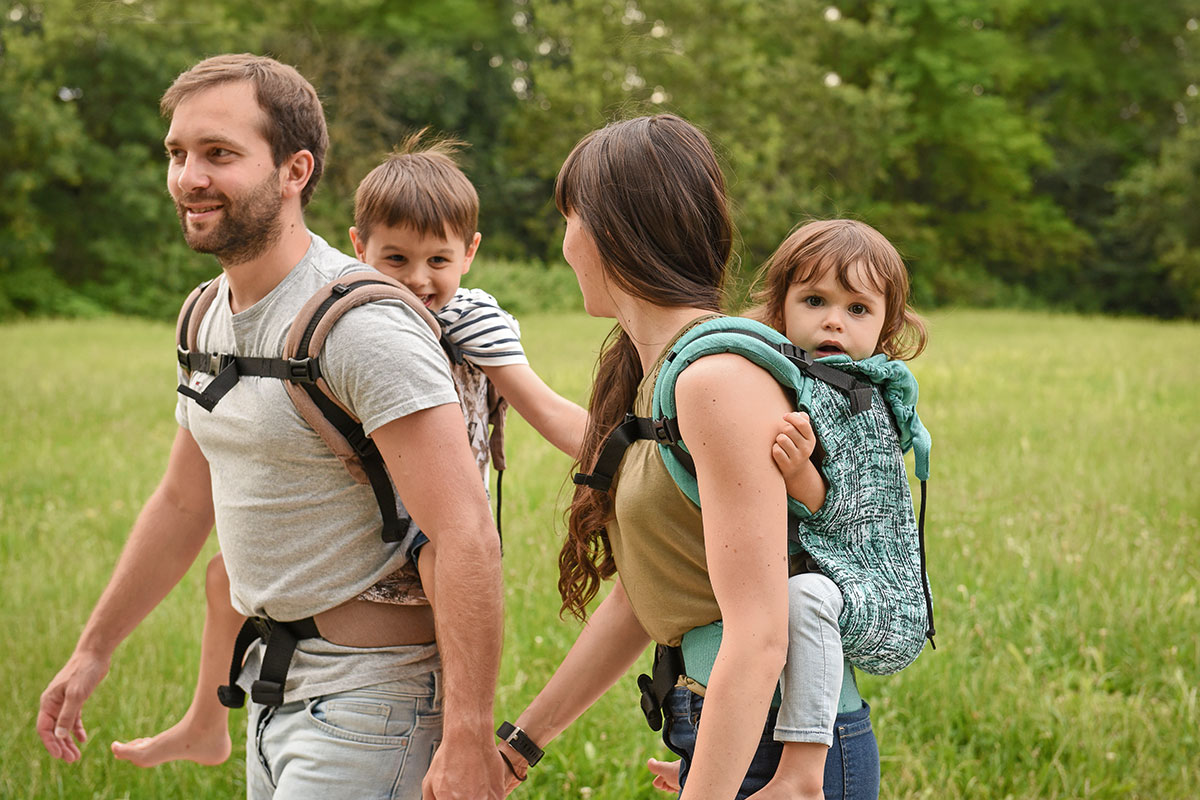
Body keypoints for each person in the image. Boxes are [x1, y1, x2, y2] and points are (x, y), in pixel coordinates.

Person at [36, 54, 506, 800]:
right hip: (270, 688)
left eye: (219, 154)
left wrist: (470, 734)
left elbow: (466, 534)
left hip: (372, 705)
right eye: (178, 153)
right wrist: (94, 651)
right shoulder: (205, 314)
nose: (189, 177)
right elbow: (183, 503)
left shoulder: (362, 328)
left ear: (295, 170)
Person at [108, 133, 588, 770]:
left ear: (470, 253)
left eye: (438, 261)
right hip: (368, 491)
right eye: (397, 259)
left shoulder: (473, 319)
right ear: (360, 247)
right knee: (228, 575)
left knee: (440, 566)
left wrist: (630, 450)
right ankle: (204, 720)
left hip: (428, 504)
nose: (419, 280)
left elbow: (541, 408)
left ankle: (450, 722)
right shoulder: (351, 308)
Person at [491, 115, 881, 800]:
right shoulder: (661, 378)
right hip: (732, 731)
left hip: (780, 748)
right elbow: (653, 591)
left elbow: (759, 635)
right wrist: (520, 749)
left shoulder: (715, 382)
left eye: (570, 217)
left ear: (610, 230)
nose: (564, 242)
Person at [645, 218, 929, 798]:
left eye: (858, 310)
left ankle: (802, 767)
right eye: (815, 300)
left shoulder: (861, 400)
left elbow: (852, 510)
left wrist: (800, 473)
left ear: (886, 326)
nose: (833, 320)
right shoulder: (783, 376)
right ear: (780, 306)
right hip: (738, 690)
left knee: (805, 596)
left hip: (863, 587)